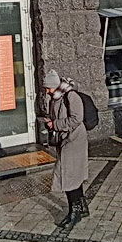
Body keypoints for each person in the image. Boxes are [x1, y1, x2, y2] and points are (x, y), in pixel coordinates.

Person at [43, 69, 89, 227]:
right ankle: (82, 207)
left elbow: (77, 119)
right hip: (65, 139)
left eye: (48, 88)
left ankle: (74, 213)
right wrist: (51, 122)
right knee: (73, 174)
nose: (47, 91)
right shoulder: (55, 98)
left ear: (55, 85)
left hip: (74, 140)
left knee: (68, 175)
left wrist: (55, 124)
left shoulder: (71, 96)